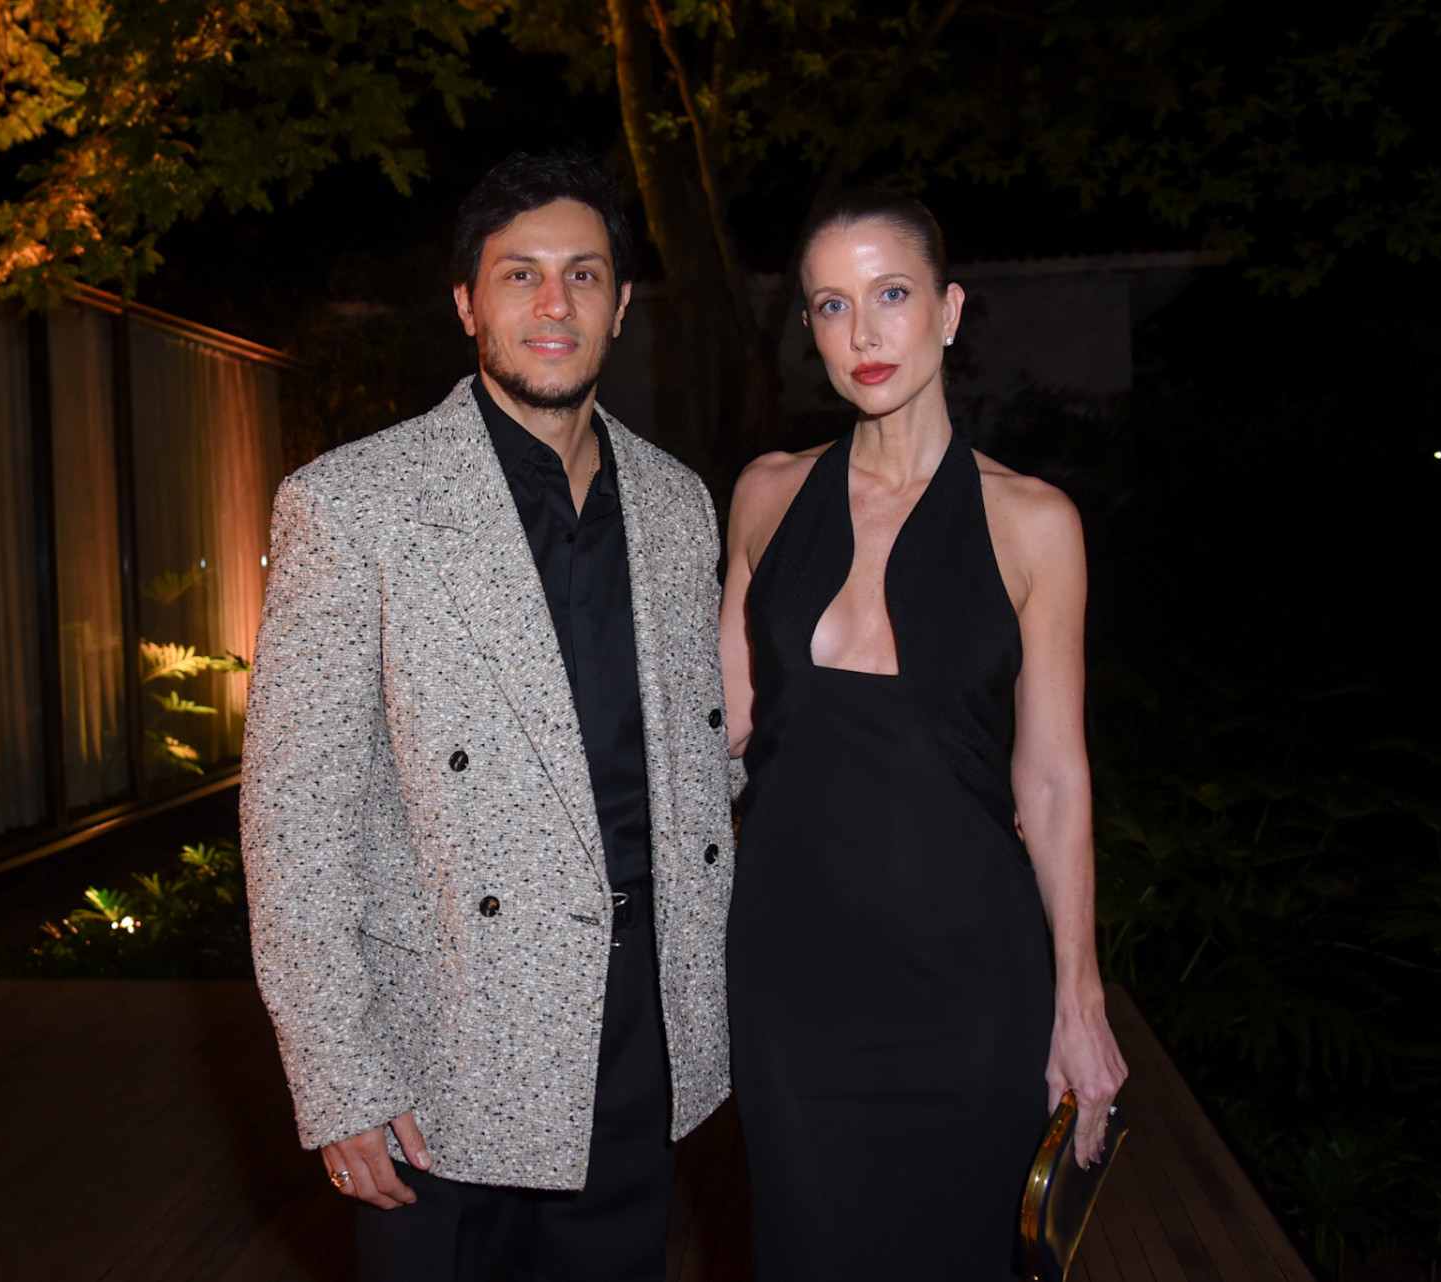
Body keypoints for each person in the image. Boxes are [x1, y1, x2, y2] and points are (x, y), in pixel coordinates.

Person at [240, 151, 737, 1282]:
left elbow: (706, 762)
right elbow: (293, 822)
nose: (554, 304)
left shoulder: (677, 504)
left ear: (622, 303)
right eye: (521, 275)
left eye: (584, 274)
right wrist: (338, 1077)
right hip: (444, 1055)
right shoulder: (352, 504)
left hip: (639, 1036)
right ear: (467, 302)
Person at [718, 190, 1129, 1279]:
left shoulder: (1035, 522)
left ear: (948, 312)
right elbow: (720, 732)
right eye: (831, 305)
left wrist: (1079, 998)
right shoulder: (764, 496)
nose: (862, 331)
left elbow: (1053, 778)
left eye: (891, 294)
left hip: (971, 982)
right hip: (791, 978)